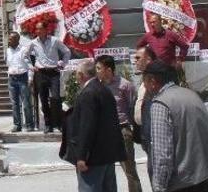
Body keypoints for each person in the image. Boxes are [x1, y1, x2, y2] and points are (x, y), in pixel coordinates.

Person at [144, 61, 208, 192]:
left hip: (185, 181)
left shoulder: (160, 104)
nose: (144, 86)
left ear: (152, 80)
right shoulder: (190, 93)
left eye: (144, 81)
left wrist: (159, 186)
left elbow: (162, 154)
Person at [60, 59, 125, 192]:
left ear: (81, 75)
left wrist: (82, 156)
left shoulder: (88, 93)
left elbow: (86, 127)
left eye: (76, 74)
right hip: (107, 155)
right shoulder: (104, 90)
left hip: (93, 159)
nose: (76, 77)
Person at [96, 55, 142, 192]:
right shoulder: (97, 86)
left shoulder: (125, 85)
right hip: (104, 132)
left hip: (122, 131)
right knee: (105, 170)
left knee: (129, 169)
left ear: (108, 70)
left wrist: (135, 131)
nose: (96, 71)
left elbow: (132, 107)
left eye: (99, 68)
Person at [31, 21, 71, 133]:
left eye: (40, 29)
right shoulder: (33, 43)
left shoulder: (55, 40)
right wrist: (31, 66)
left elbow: (67, 52)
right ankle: (48, 124)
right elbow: (25, 55)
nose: (38, 31)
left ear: (45, 30)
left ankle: (58, 123)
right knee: (43, 99)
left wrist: (62, 63)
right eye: (36, 29)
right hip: (41, 73)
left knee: (56, 98)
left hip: (53, 72)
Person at [5, 31, 35, 133]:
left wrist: (30, 78)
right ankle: (17, 125)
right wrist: (9, 76)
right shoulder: (8, 50)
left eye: (10, 39)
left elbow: (29, 65)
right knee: (14, 104)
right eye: (9, 38)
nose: (8, 40)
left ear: (17, 40)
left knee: (26, 103)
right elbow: (8, 64)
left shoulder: (23, 50)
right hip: (12, 79)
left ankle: (29, 125)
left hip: (23, 78)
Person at [133, 45, 157, 156]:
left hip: (154, 133)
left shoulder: (155, 80)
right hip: (144, 132)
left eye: (138, 58)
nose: (135, 61)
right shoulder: (144, 78)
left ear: (148, 59)